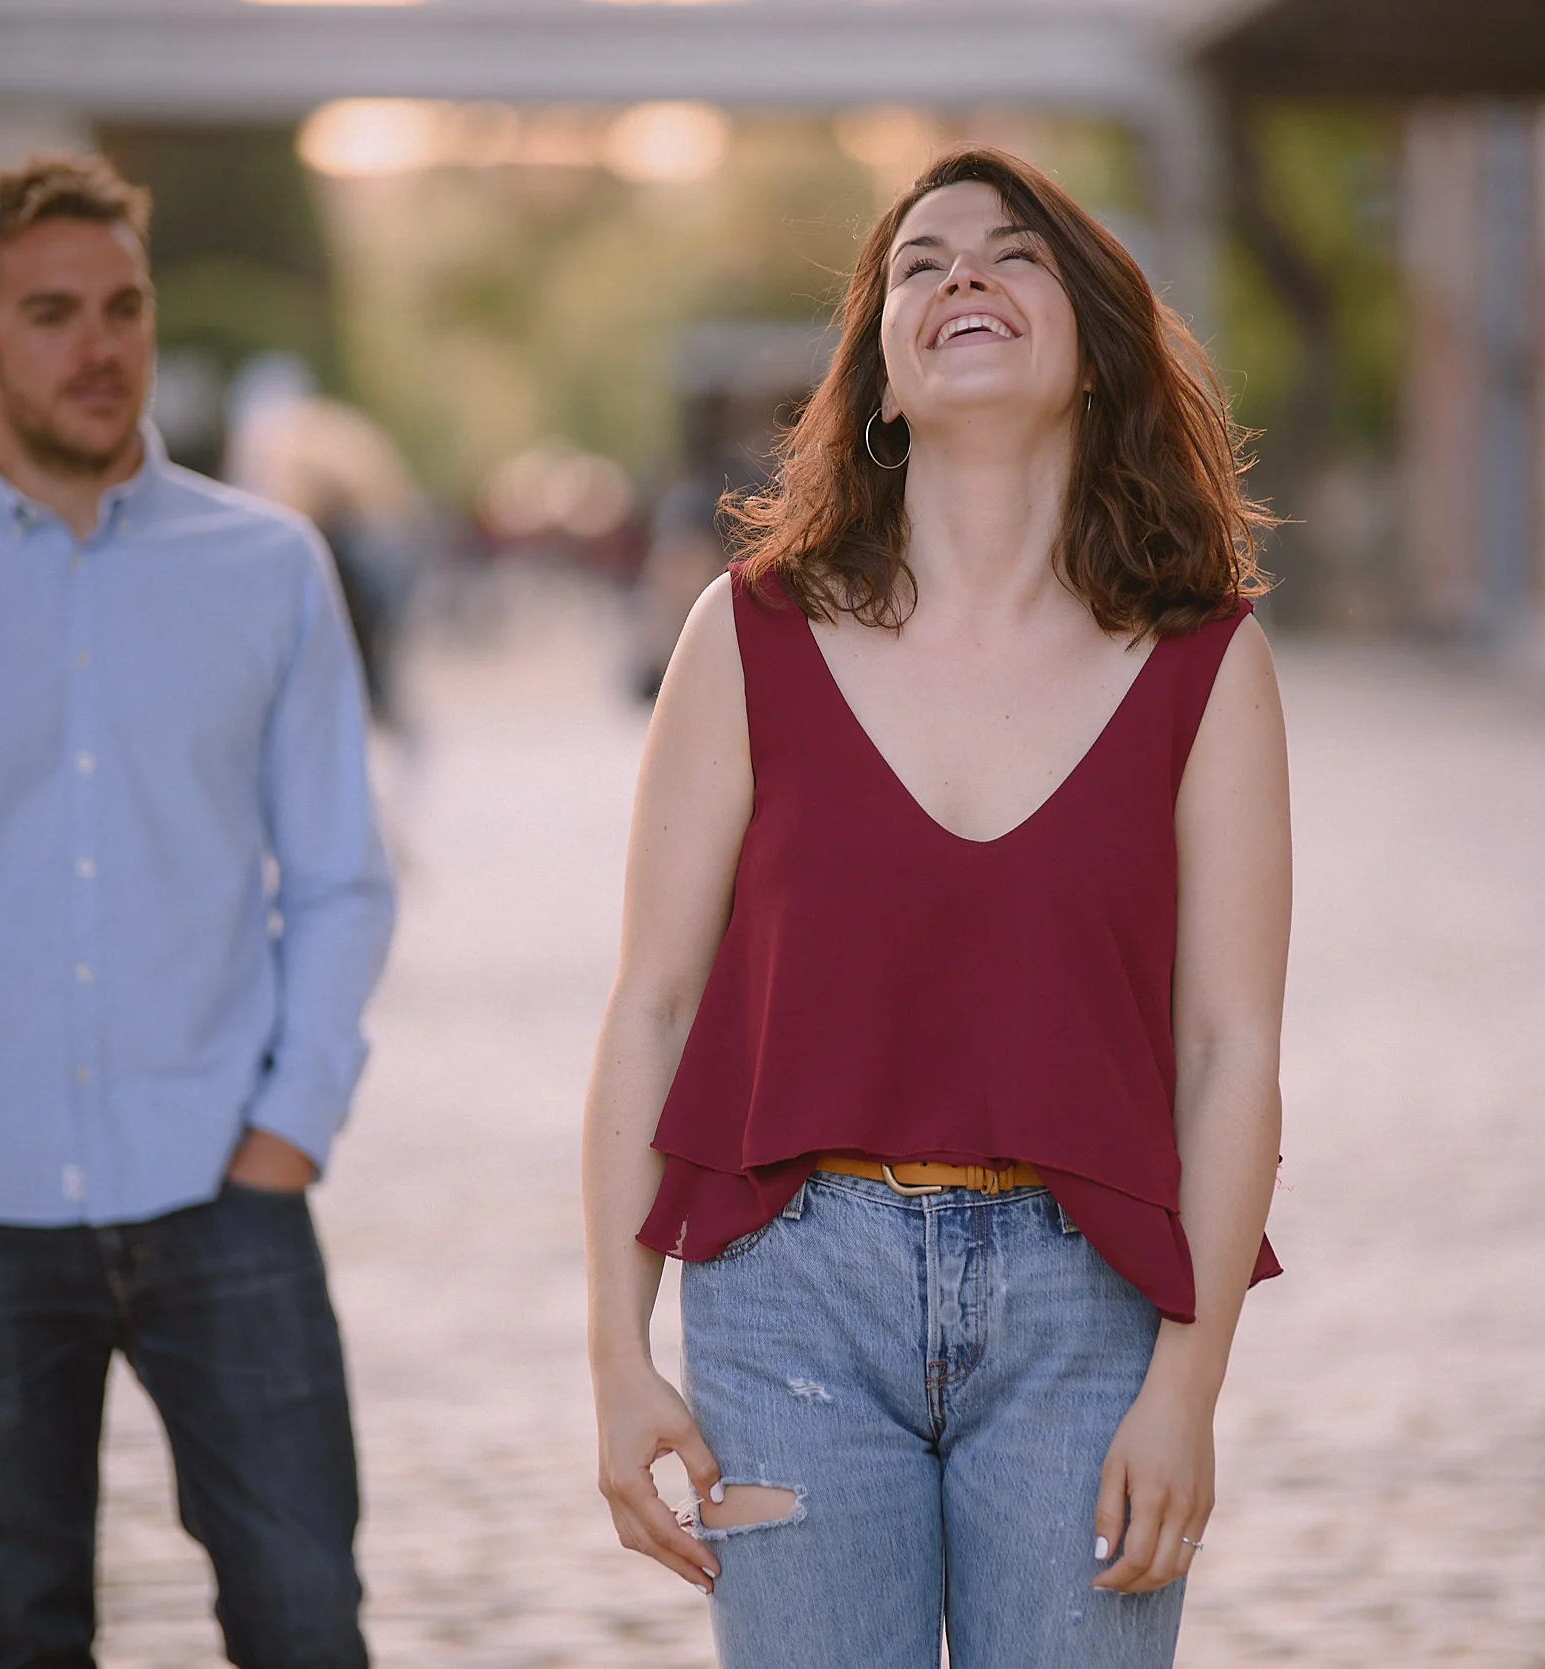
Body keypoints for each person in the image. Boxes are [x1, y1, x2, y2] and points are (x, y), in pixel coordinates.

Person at [582, 148, 1291, 1668]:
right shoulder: (746, 633)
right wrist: (615, 1352)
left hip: (1091, 1316)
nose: (960, 273)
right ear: (884, 381)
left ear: (1094, 348)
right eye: (920, 263)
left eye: (1011, 253)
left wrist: (1190, 1385)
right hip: (789, 1311)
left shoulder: (1204, 662)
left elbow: (1231, 1051)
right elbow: (650, 1004)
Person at [0, 153, 394, 1669]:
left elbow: (344, 876)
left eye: (122, 307)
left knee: (308, 1619)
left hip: (223, 1188)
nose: (98, 347)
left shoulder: (269, 567)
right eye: (51, 314)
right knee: (22, 1623)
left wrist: (291, 1124)